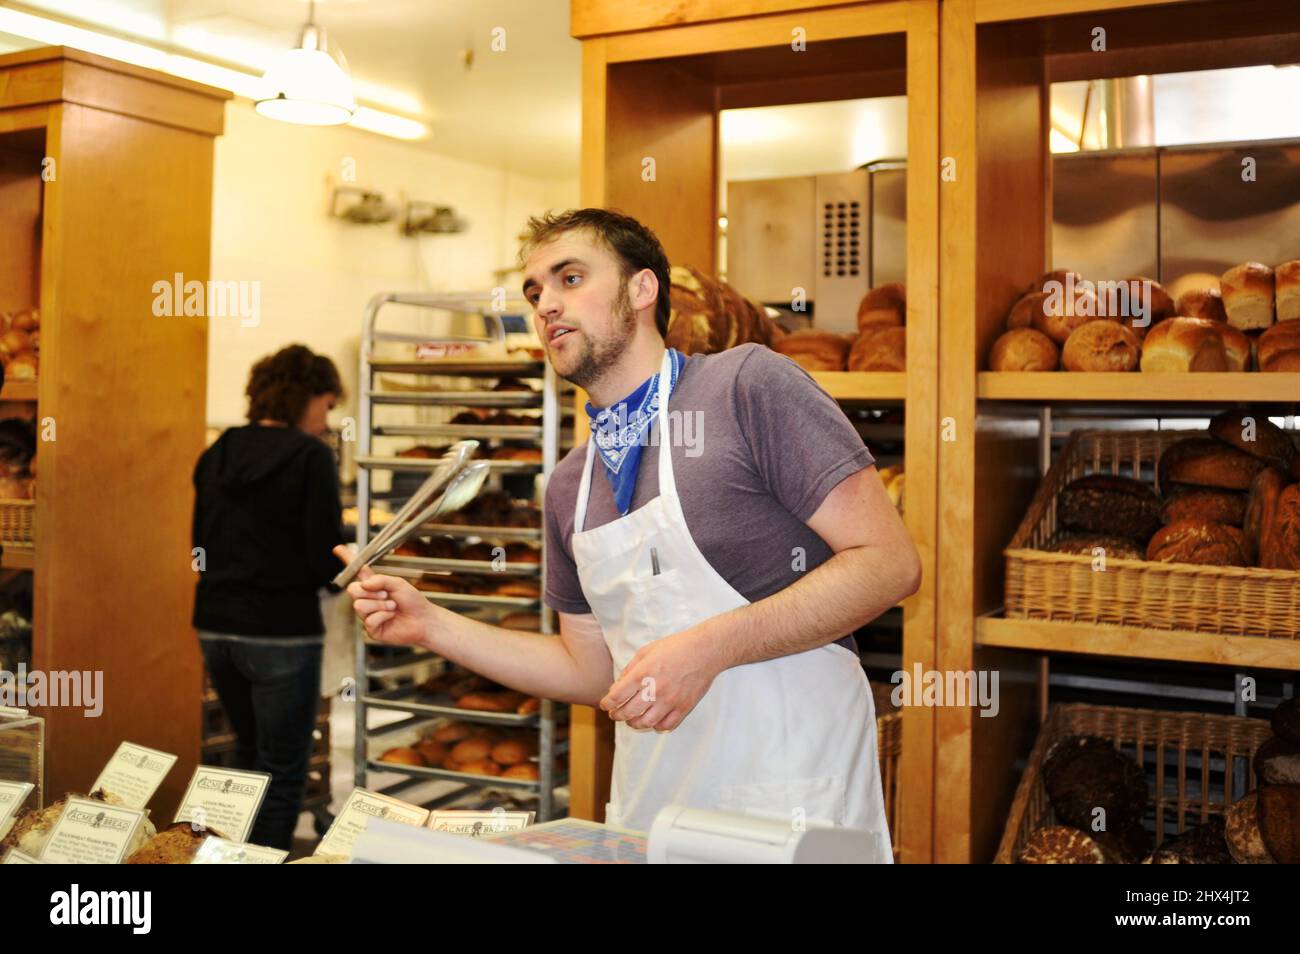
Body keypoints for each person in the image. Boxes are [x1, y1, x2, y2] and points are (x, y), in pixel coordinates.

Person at [337, 209, 920, 857]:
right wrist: (430, 625)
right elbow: (589, 670)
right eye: (535, 292)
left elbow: (888, 564)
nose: (547, 304)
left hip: (789, 799)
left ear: (642, 289)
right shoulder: (571, 484)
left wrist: (709, 647)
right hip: (655, 809)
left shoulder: (746, 387)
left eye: (570, 277)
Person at [193, 344, 344, 850]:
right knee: (283, 772)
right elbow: (323, 557)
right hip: (281, 631)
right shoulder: (310, 457)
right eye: (326, 405)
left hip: (216, 627)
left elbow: (201, 542)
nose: (326, 421)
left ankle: (232, 857)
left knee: (249, 755)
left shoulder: (220, 450)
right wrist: (352, 565)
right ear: (305, 398)